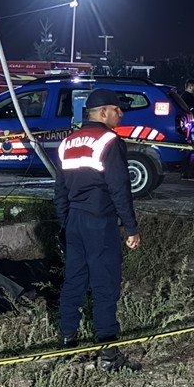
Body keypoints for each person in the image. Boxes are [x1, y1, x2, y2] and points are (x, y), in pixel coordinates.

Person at [53, 89, 143, 372]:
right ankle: (108, 354)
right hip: (100, 223)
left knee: (74, 282)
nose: (122, 114)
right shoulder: (109, 141)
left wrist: (66, 223)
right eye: (118, 109)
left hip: (75, 222)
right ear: (104, 112)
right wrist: (131, 227)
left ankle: (68, 344)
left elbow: (59, 190)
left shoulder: (67, 142)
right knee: (105, 286)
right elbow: (119, 188)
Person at [178, 79, 194, 180]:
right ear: (190, 86)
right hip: (191, 129)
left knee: (191, 151)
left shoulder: (183, 98)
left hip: (189, 128)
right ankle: (189, 173)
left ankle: (188, 172)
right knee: (192, 151)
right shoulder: (187, 98)